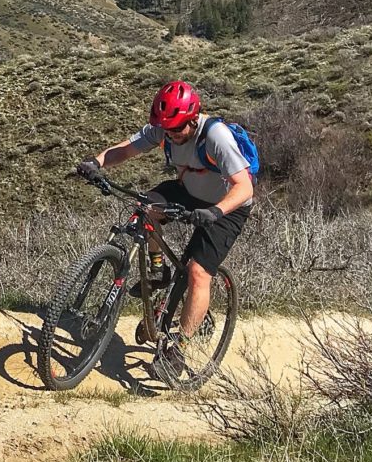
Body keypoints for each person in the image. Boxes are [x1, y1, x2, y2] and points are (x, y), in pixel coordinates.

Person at [75, 80, 254, 366]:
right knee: (145, 208)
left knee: (197, 272)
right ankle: (160, 271)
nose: (171, 136)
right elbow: (126, 149)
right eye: (166, 131)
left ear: (193, 119)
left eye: (177, 130)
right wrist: (96, 163)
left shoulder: (216, 136)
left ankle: (178, 351)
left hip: (228, 206)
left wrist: (216, 212)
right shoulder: (165, 129)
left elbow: (244, 187)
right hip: (189, 191)